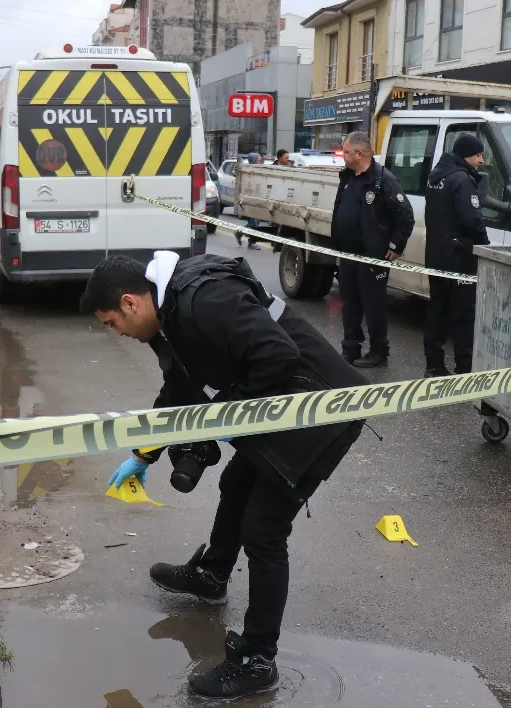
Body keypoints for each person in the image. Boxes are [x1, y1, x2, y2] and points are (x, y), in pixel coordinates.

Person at [81, 252, 367, 700]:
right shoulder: (168, 318)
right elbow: (177, 389)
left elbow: (276, 354)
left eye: (111, 323)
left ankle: (257, 660)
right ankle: (212, 575)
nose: (116, 333)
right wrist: (144, 453)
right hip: (281, 411)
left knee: (264, 530)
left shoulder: (204, 299)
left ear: (130, 303)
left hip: (320, 411)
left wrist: (225, 418)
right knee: (236, 484)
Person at [332, 131, 415, 369]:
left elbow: (405, 216)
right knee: (349, 303)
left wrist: (396, 246)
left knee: (373, 305)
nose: (343, 156)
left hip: (372, 255)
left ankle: (379, 351)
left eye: (346, 151)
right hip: (348, 253)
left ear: (360, 153)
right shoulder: (348, 177)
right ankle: (350, 348)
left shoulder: (383, 180)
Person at [423, 133, 489, 377]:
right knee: (463, 315)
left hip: (436, 255)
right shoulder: (461, 179)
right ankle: (465, 368)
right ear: (465, 155)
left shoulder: (436, 175)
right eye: (478, 155)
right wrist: (484, 244)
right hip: (459, 257)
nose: (481, 160)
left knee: (437, 311)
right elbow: (471, 220)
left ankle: (433, 365)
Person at [238, 153, 264, 250]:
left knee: (255, 223)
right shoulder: (249, 171)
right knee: (253, 223)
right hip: (250, 199)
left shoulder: (259, 170)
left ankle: (239, 233)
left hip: (257, 199)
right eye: (258, 159)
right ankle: (251, 243)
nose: (260, 160)